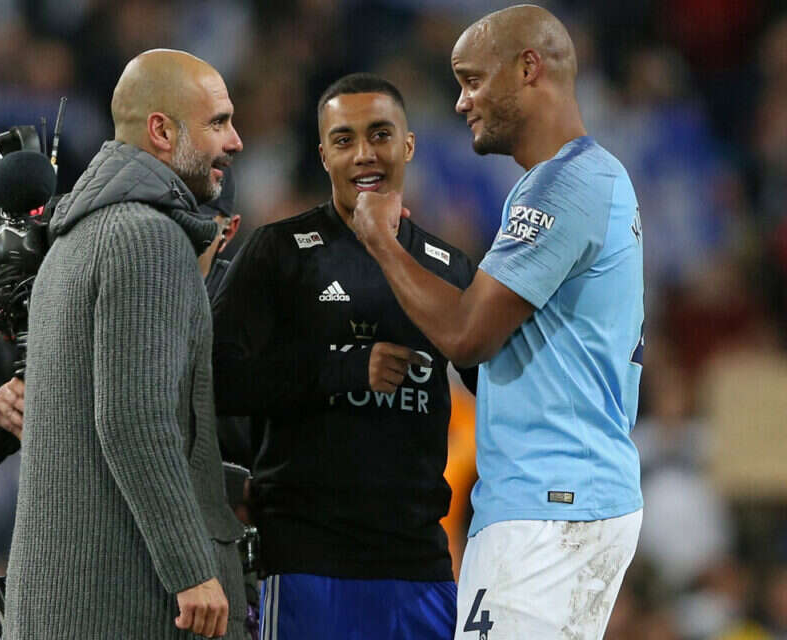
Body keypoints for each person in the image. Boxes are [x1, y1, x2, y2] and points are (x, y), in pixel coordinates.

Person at [351, 6, 644, 638]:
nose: (461, 102)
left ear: (528, 68)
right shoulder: (577, 180)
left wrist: (380, 241)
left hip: (552, 499)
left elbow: (468, 335)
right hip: (557, 495)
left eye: (472, 80)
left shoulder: (565, 186)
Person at [211, 73, 475, 640]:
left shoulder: (449, 266)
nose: (364, 154)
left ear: (408, 145)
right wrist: (345, 368)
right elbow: (217, 381)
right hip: (308, 561)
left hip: (420, 564)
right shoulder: (278, 252)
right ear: (323, 155)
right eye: (344, 139)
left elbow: (496, 385)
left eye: (380, 134)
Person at [4, 50, 247, 639]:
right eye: (217, 123)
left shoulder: (75, 235)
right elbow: (135, 418)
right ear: (162, 131)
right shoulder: (148, 238)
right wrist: (192, 569)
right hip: (127, 604)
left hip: (60, 603)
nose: (235, 141)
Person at [0, 168, 245, 467]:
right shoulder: (79, 293)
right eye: (163, 216)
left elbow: (254, 437)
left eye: (193, 220)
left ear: (227, 231)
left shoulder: (240, 304)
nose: (173, 233)